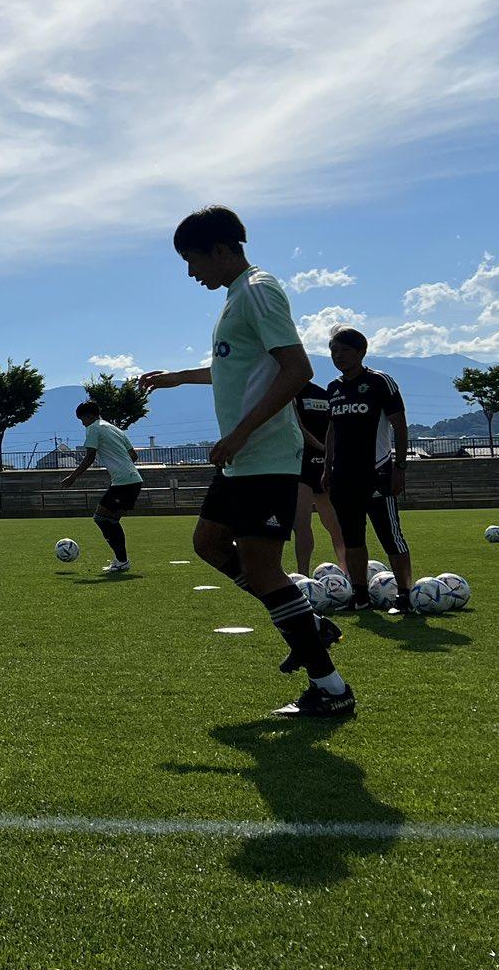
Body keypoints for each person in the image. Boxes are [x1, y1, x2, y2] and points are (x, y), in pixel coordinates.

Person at [139, 206, 352, 717]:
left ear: (219, 250)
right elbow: (236, 369)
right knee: (209, 545)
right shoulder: (237, 297)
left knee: (262, 568)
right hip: (244, 460)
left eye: (192, 261)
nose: (191, 273)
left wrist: (240, 433)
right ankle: (307, 624)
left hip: (266, 459)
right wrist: (178, 378)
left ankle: (331, 688)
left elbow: (297, 368)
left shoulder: (258, 289)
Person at [323, 328, 415, 614]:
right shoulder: (333, 388)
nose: (338, 356)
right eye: (334, 351)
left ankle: (404, 596)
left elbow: (399, 425)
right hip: (342, 477)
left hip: (376, 473)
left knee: (391, 536)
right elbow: (332, 430)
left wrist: (399, 467)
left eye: (344, 350)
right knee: (352, 538)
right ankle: (360, 596)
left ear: (361, 352)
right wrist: (327, 468)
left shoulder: (379, 382)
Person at [60, 399, 142, 573]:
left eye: (82, 420)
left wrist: (73, 477)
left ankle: (122, 561)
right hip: (133, 480)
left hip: (124, 482)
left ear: (89, 416)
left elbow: (90, 457)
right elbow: (134, 456)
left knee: (101, 518)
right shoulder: (114, 428)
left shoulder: (93, 428)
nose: (83, 424)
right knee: (110, 520)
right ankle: (121, 560)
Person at [291, 377, 347, 578]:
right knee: (334, 523)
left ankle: (303, 576)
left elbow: (299, 429)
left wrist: (324, 450)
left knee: (303, 523)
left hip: (303, 463)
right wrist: (328, 453)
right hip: (322, 463)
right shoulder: (324, 393)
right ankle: (346, 573)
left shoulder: (290, 393)